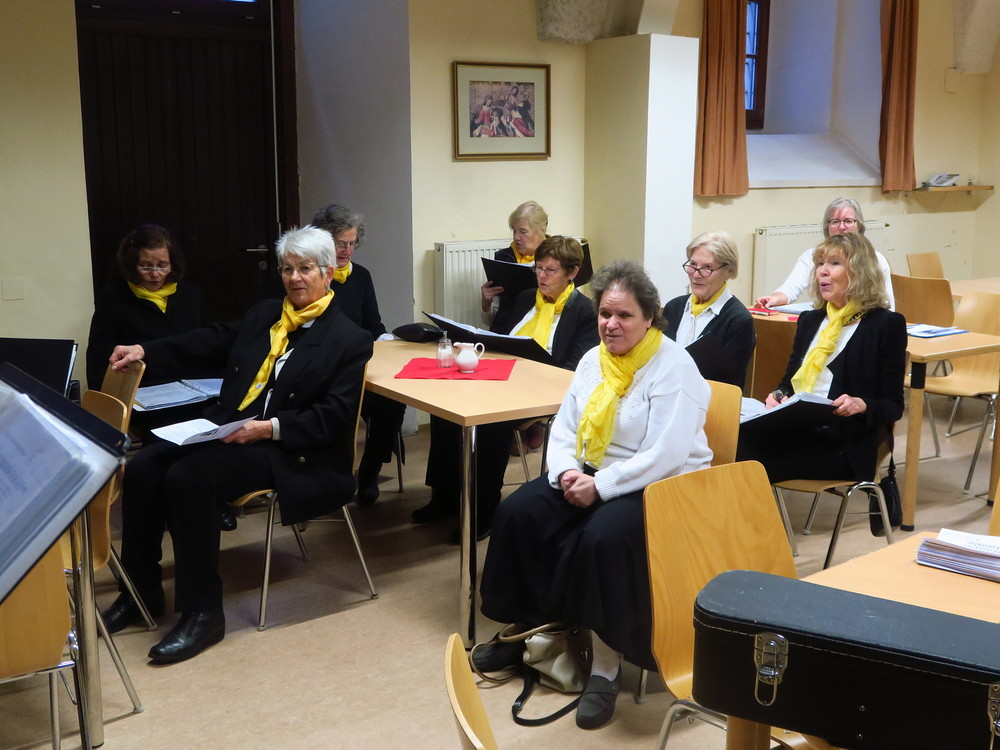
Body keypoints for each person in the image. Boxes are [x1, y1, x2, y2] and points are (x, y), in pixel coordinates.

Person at [99, 226, 372, 663]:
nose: (294, 278)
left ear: (327, 273)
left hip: (290, 448)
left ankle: (204, 612)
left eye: (305, 268)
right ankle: (140, 593)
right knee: (145, 466)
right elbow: (209, 339)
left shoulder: (349, 338)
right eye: (287, 269)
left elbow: (332, 418)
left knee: (189, 477)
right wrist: (144, 351)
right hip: (232, 426)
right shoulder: (267, 314)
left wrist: (268, 428)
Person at [474, 260, 712, 730]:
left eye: (624, 315)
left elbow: (665, 454)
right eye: (605, 313)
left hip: (662, 484)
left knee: (602, 538)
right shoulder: (592, 360)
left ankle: (605, 667)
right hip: (592, 468)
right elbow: (564, 427)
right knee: (519, 513)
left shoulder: (673, 366)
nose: (611, 324)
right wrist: (565, 472)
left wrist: (600, 487)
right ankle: (528, 631)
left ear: (649, 318)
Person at [417, 236, 599, 540]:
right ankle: (445, 498)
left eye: (551, 270)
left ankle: (485, 509)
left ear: (572, 273)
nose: (541, 276)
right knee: (445, 408)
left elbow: (575, 369)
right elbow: (496, 339)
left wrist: (532, 371)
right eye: (538, 268)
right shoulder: (526, 298)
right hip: (503, 378)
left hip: (543, 390)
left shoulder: (585, 312)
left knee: (490, 420)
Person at [737, 232, 906, 483]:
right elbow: (787, 384)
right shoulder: (811, 320)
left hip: (844, 442)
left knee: (749, 461)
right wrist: (778, 396)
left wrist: (860, 404)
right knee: (729, 442)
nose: (822, 272)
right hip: (796, 429)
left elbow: (893, 406)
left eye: (834, 264)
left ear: (859, 272)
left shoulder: (885, 325)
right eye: (820, 264)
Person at [311, 203, 404, 505]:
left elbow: (373, 324)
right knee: (339, 406)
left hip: (357, 364)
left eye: (352, 244)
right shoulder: (310, 278)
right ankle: (331, 477)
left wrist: (387, 340)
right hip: (321, 368)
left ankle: (370, 471)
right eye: (341, 244)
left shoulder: (361, 276)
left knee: (392, 402)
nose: (347, 251)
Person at [86, 224, 208, 390]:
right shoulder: (113, 298)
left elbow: (205, 344)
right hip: (139, 389)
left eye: (162, 265)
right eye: (146, 266)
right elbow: (98, 359)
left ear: (172, 264)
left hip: (189, 388)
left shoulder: (190, 295)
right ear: (132, 264)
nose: (155, 274)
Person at [755, 198, 895, 310]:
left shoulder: (875, 259)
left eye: (848, 221)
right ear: (827, 227)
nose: (842, 227)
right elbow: (791, 288)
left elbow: (887, 304)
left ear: (859, 226)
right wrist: (774, 299)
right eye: (835, 222)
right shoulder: (813, 255)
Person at [662, 231, 755, 387]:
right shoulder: (674, 308)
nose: (696, 275)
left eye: (707, 268)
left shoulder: (738, 320)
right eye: (693, 265)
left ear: (728, 271)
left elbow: (730, 384)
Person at [480, 201, 548, 334]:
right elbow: (492, 322)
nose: (517, 237)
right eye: (514, 231)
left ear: (542, 229)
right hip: (508, 334)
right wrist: (486, 304)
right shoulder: (503, 259)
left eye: (523, 232)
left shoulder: (557, 258)